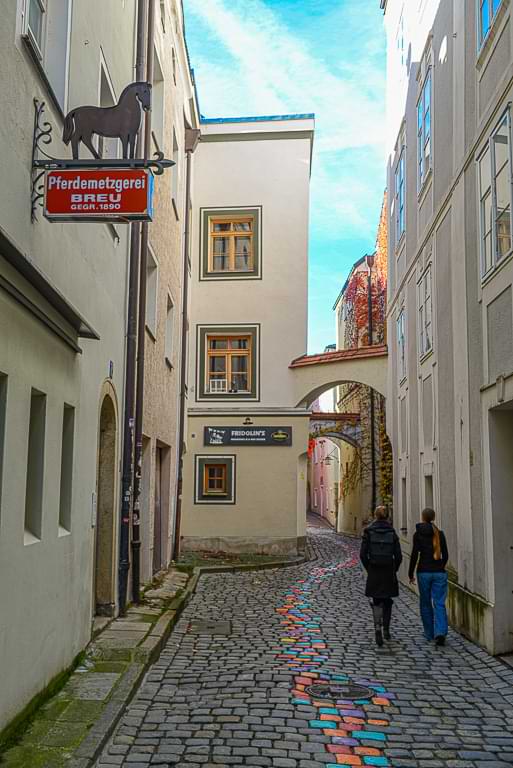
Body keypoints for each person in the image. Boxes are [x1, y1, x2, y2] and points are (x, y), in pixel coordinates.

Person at [360, 506, 402, 647]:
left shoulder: (369, 531)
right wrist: (394, 568)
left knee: (376, 600)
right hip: (388, 570)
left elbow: (362, 554)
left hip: (375, 570)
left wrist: (369, 567)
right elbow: (399, 556)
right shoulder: (392, 531)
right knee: (388, 600)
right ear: (387, 516)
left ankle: (377, 627)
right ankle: (386, 630)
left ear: (375, 516)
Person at [408, 508, 449, 646]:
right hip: (439, 572)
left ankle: (429, 633)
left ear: (423, 517)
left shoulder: (417, 534)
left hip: (424, 572)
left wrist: (410, 573)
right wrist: (441, 566)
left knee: (425, 603)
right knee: (439, 603)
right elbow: (446, 554)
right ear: (433, 517)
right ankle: (441, 632)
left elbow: (415, 554)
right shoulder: (440, 534)